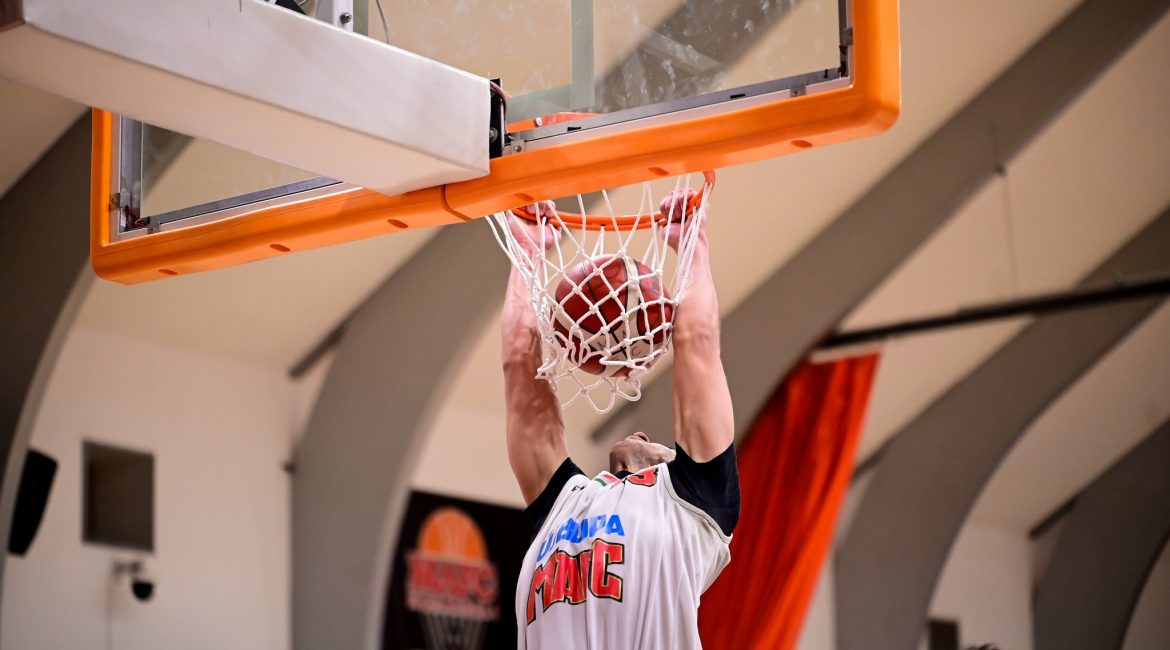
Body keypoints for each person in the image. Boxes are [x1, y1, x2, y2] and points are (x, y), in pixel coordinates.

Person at [501, 191, 740, 649]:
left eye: (658, 443)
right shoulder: (570, 504)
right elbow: (518, 360)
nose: (643, 433)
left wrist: (694, 242)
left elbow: (697, 339)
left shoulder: (692, 505)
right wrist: (527, 252)